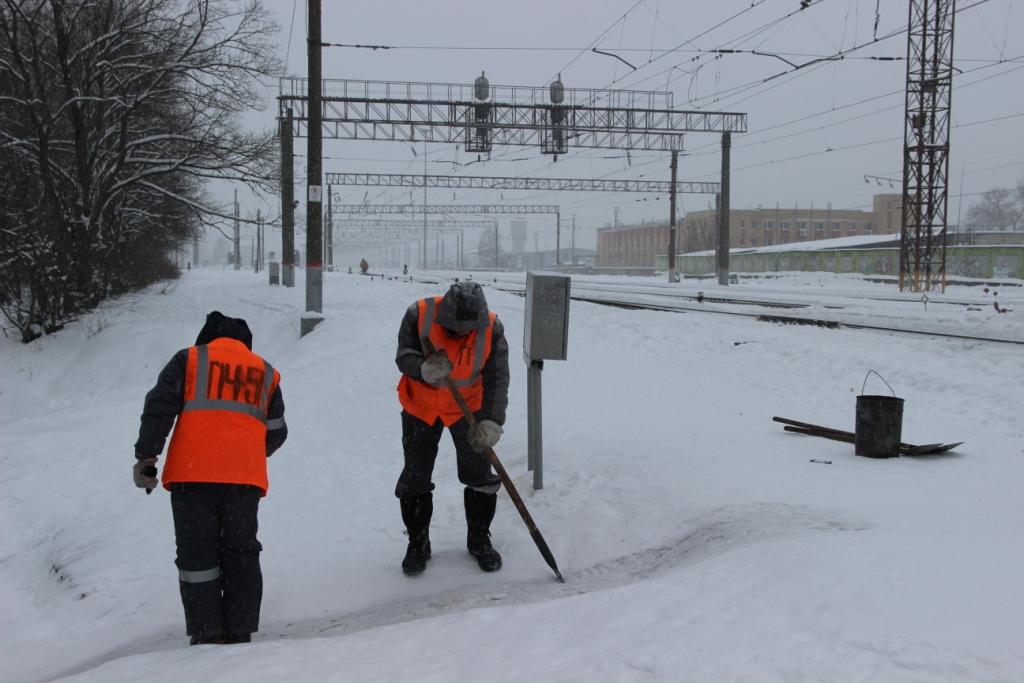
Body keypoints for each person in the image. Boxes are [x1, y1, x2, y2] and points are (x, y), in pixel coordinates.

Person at [133, 311, 288, 645]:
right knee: (241, 554)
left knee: (197, 556)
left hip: (193, 477)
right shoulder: (266, 372)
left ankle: (207, 634)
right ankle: (240, 630)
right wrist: (244, 451)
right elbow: (276, 432)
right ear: (245, 343)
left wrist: (147, 456)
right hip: (243, 482)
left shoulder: (189, 360)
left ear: (207, 337)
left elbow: (159, 407)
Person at [395, 282, 509, 575]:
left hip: (466, 409)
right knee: (415, 477)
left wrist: (492, 421)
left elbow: (497, 379)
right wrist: (422, 369)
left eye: (466, 329)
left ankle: (479, 539)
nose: (460, 334)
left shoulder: (492, 329)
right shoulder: (418, 314)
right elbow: (403, 354)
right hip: (421, 407)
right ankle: (418, 544)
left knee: (480, 476)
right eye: (454, 328)